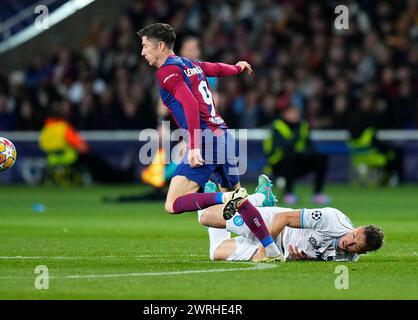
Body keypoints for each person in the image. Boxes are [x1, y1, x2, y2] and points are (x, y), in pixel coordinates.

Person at [137, 23, 284, 262]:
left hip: (205, 141)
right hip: (224, 137)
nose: (142, 52)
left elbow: (191, 104)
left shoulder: (167, 72)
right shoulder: (190, 64)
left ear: (160, 46)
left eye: (145, 46)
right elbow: (214, 68)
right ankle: (271, 249)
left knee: (172, 203)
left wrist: (194, 146)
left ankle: (222, 199)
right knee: (239, 199)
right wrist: (237, 68)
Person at [198, 175, 384, 262]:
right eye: (353, 237)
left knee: (216, 253)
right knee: (205, 217)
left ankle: (212, 200)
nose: (348, 244)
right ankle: (262, 198)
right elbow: (283, 217)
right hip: (273, 225)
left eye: (355, 248)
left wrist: (302, 258)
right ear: (357, 228)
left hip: (280, 250)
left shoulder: (348, 259)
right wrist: (265, 248)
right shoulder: (331, 219)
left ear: (362, 252)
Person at [263, 105, 330, 205]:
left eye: (297, 113)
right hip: (277, 164)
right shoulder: (278, 126)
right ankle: (288, 194)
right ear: (285, 114)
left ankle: (317, 195)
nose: (296, 116)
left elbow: (309, 144)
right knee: (290, 158)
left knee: (321, 158)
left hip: (297, 161)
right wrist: (296, 133)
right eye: (292, 113)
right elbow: (285, 148)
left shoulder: (302, 125)